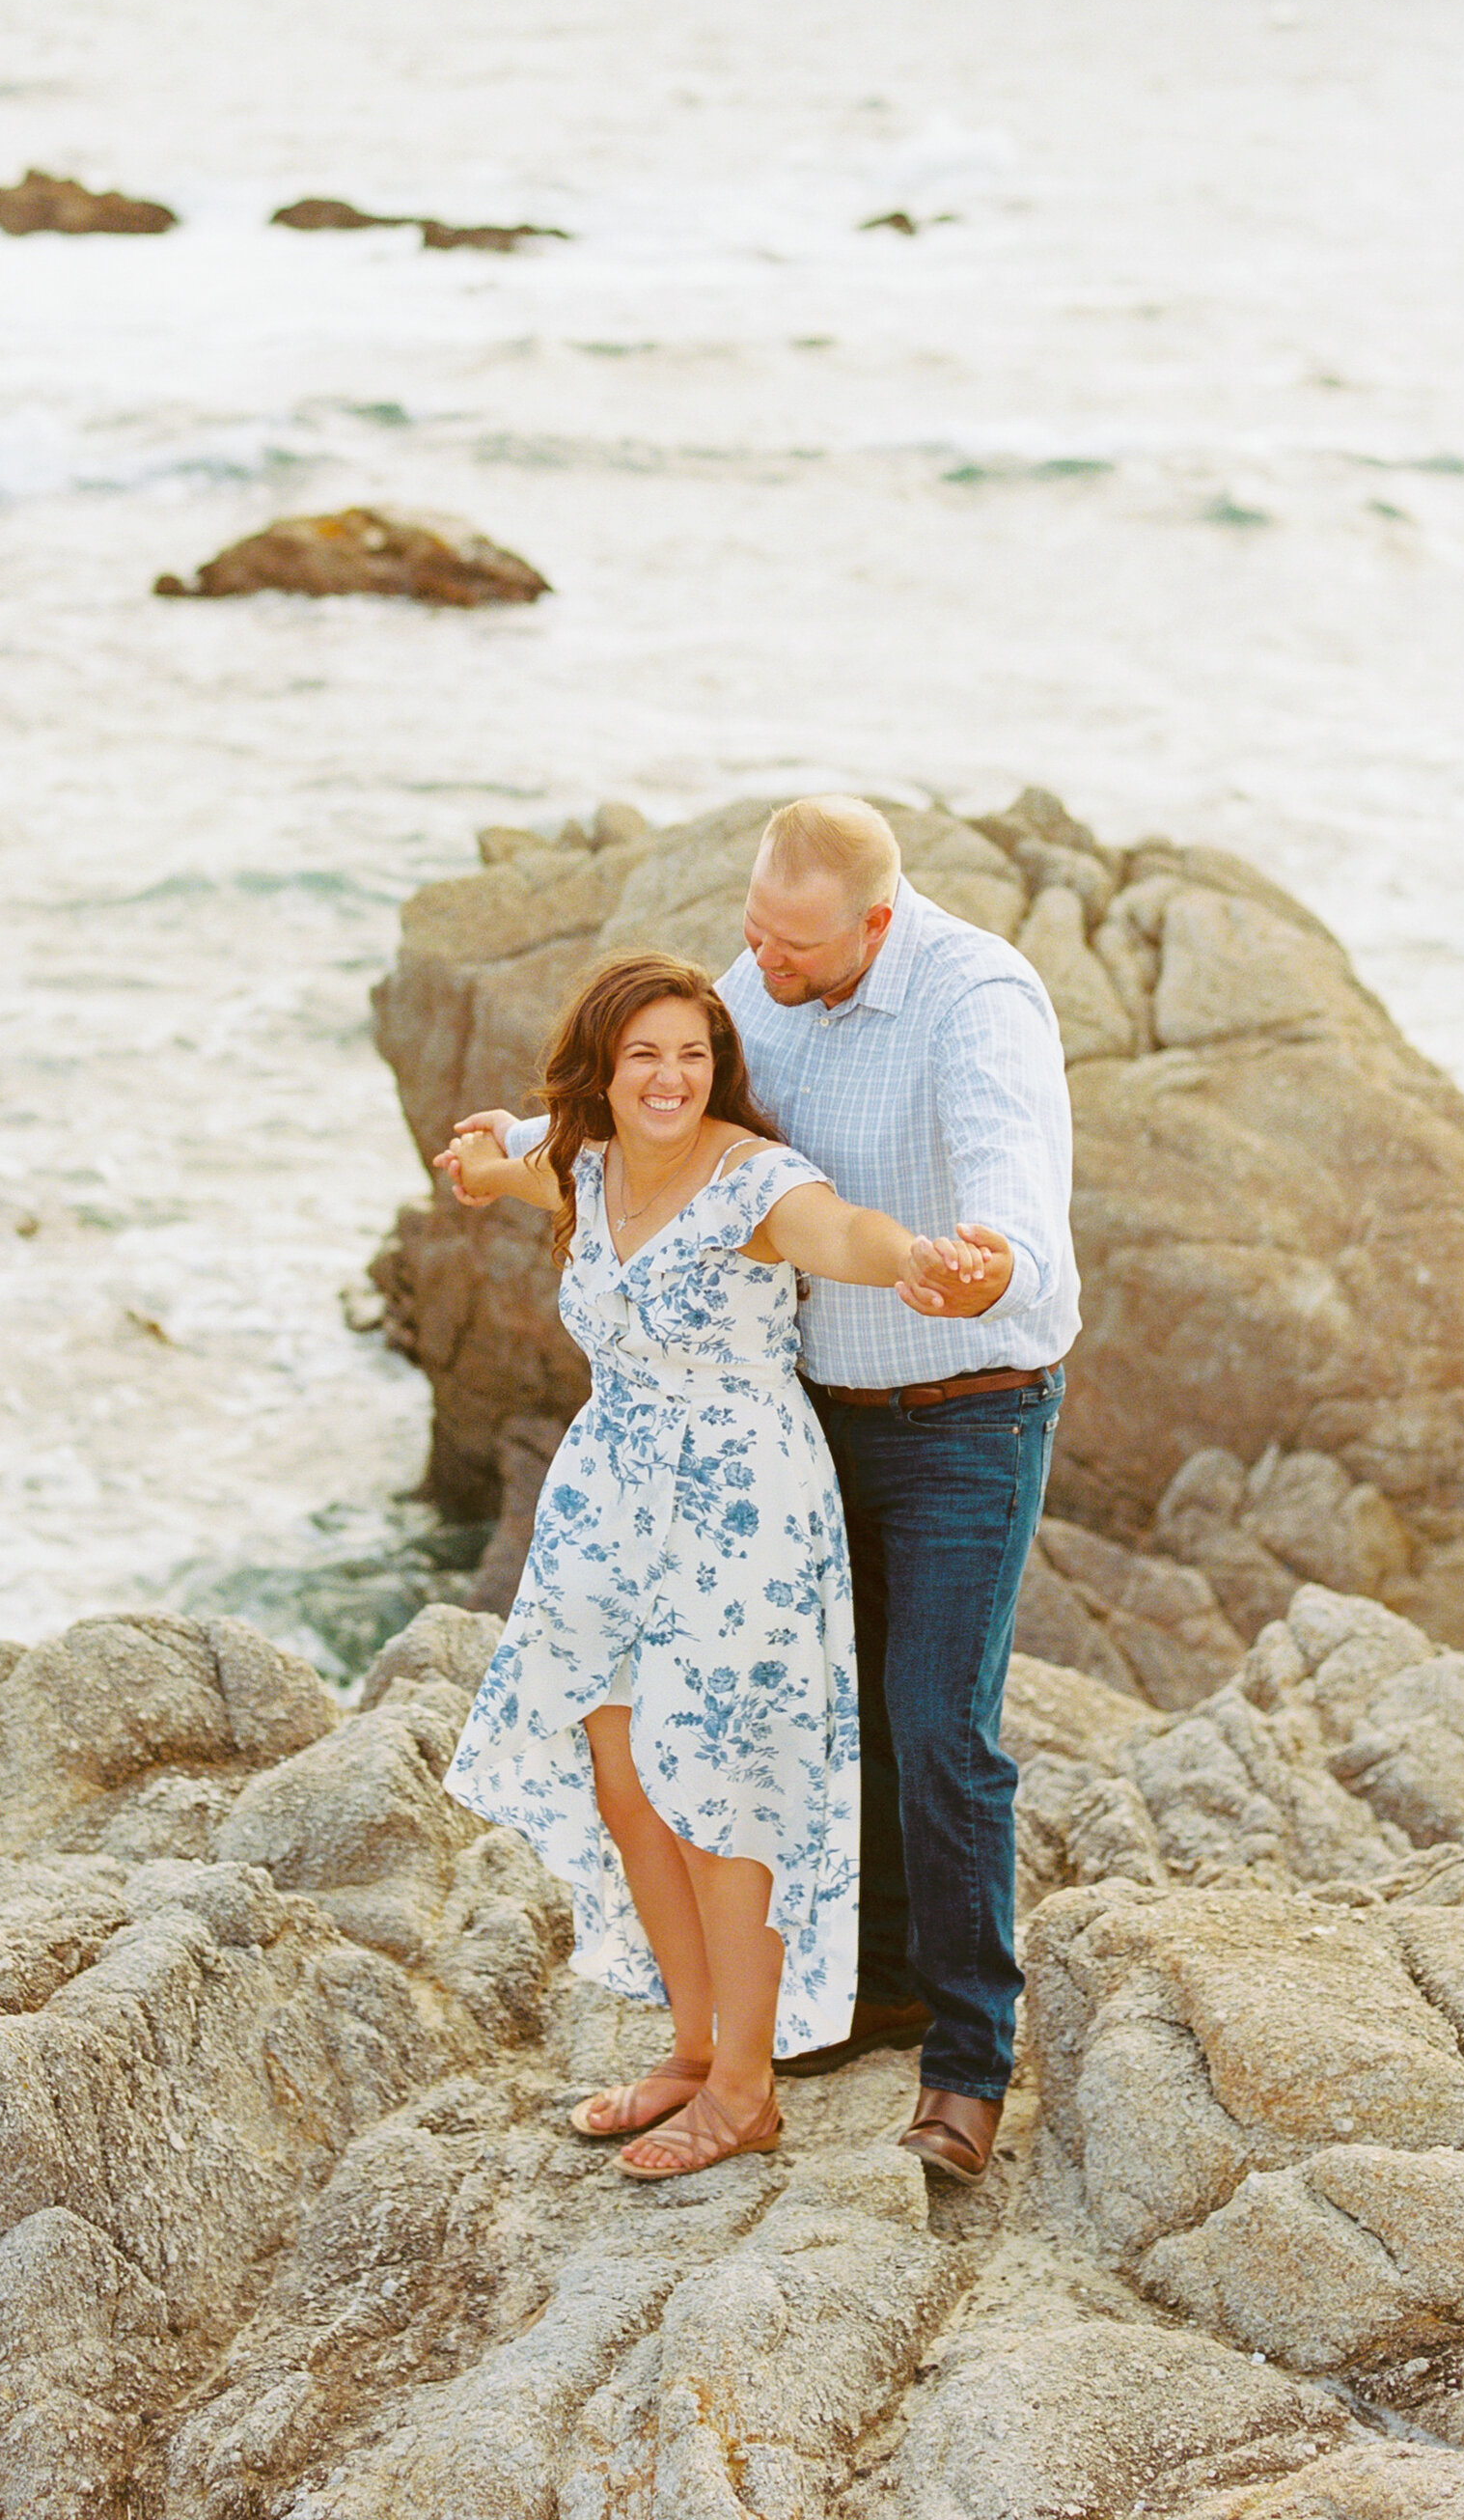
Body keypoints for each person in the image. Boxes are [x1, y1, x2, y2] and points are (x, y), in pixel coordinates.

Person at [449, 797, 1077, 2185]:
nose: (761, 966)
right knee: (826, 1729)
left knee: (934, 1723)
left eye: (790, 946)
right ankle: (854, 1995)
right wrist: (508, 1150)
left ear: (874, 924)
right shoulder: (758, 983)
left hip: (963, 1406)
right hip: (797, 1422)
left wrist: (982, 1261)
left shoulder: (974, 998)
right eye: (752, 934)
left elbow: (989, 1173)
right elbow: (645, 1094)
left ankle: (968, 2060)